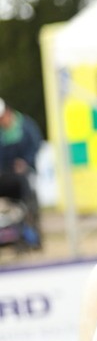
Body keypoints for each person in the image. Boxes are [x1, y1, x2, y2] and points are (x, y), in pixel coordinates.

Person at [0, 98, 43, 248]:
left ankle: (32, 236)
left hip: (26, 173)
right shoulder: (1, 133)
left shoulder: (25, 125)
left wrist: (25, 162)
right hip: (7, 175)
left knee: (29, 201)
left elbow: (36, 144)